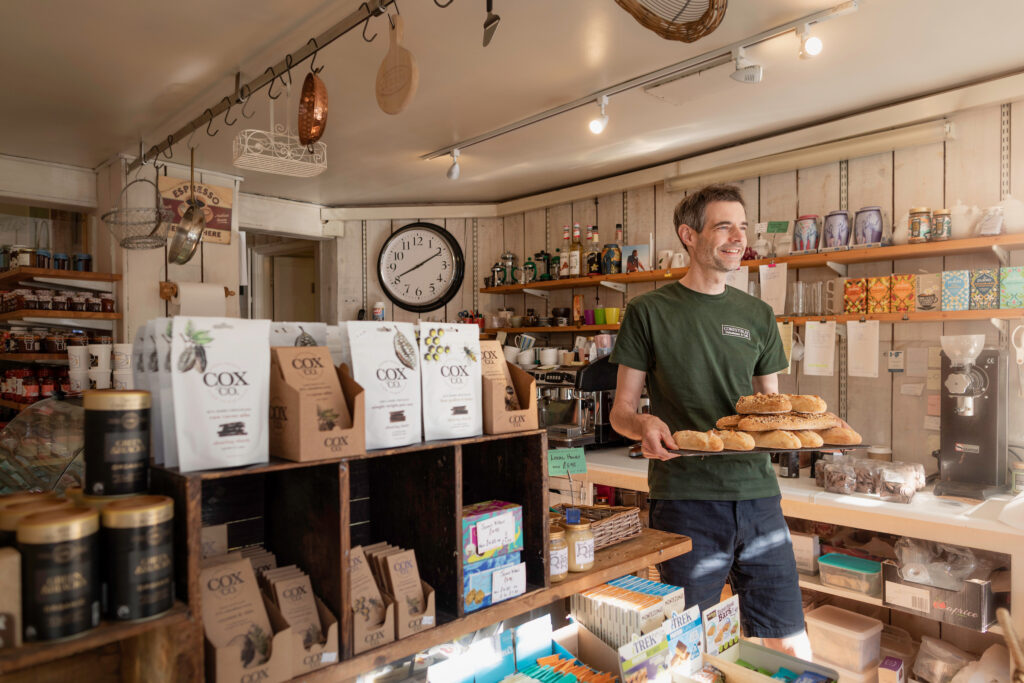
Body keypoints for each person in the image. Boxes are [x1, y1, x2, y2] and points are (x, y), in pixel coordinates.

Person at [608, 184, 811, 658]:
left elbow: (773, 410)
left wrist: (803, 430)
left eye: (743, 227)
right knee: (685, 645)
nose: (738, 237)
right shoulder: (649, 311)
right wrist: (644, 426)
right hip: (686, 499)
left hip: (759, 498)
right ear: (689, 235)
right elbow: (622, 410)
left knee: (789, 635)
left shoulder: (758, 315)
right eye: (724, 226)